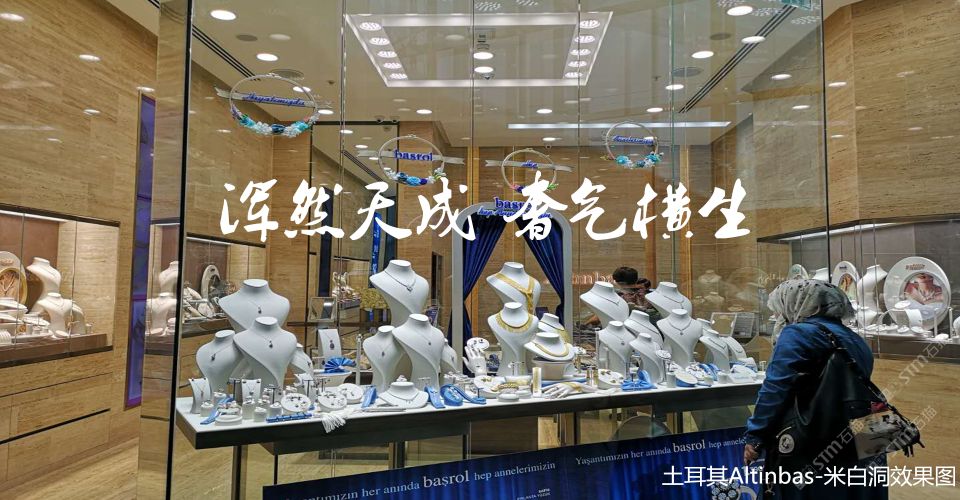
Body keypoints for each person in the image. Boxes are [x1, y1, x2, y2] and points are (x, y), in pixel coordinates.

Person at [743, 279, 887, 499]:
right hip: (867, 430)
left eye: (779, 308)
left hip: (818, 434)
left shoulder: (798, 333)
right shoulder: (856, 339)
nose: (777, 315)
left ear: (797, 303)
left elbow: (775, 389)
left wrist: (755, 435)